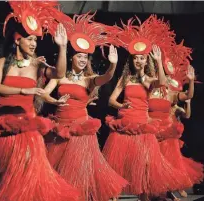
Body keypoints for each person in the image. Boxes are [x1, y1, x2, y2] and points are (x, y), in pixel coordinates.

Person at [0, 1, 80, 201]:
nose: (33, 44)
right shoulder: (1, 63)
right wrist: (25, 89)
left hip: (26, 126)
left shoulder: (37, 65)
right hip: (0, 126)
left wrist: (63, 48)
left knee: (25, 175)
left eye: (35, 40)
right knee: (1, 177)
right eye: (30, 39)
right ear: (17, 40)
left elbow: (60, 72)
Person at [41, 12, 128, 201]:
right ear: (71, 57)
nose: (82, 60)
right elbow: (45, 93)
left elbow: (106, 78)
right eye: (79, 56)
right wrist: (54, 101)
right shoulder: (60, 76)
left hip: (80, 127)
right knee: (58, 170)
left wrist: (112, 66)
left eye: (85, 58)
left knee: (78, 169)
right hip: (61, 127)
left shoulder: (88, 80)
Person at [102, 15, 188, 201]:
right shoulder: (125, 79)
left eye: (141, 59)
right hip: (124, 123)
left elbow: (162, 83)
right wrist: (120, 104)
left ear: (145, 60)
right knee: (118, 164)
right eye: (135, 59)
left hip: (142, 125)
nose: (138, 62)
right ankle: (113, 195)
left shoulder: (149, 80)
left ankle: (155, 194)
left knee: (146, 164)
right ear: (131, 61)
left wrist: (158, 62)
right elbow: (111, 100)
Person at [148, 42, 203, 200]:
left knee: (169, 163)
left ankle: (169, 191)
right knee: (154, 165)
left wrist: (191, 81)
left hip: (168, 132)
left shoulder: (171, 93)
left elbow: (188, 96)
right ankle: (156, 192)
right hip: (153, 130)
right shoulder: (150, 90)